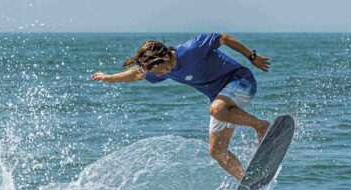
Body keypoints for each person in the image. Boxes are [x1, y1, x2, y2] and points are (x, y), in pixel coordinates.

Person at [92, 34, 272, 181]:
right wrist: (110, 78)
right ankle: (246, 181)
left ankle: (261, 126)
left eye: (155, 69)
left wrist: (252, 57)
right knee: (217, 151)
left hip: (240, 81)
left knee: (217, 109)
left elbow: (223, 38)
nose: (155, 74)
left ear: (163, 57)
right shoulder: (163, 70)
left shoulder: (192, 48)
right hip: (222, 98)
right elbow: (138, 74)